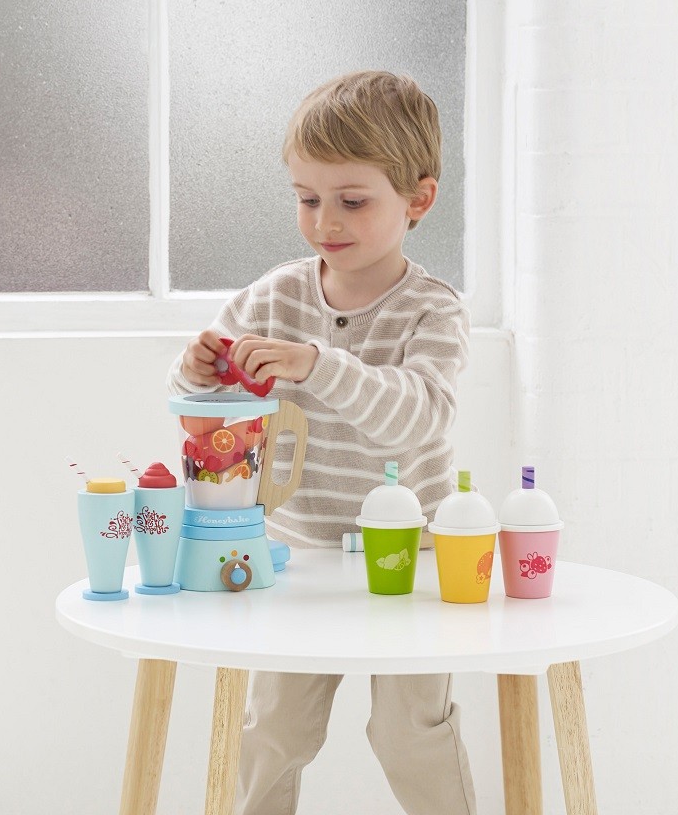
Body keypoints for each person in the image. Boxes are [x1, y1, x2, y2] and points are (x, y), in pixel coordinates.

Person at [167, 70, 474, 815]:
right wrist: (197, 372)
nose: (324, 221)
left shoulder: (432, 311)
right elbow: (214, 413)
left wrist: (317, 364)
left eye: (352, 201)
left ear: (419, 199)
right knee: (272, 732)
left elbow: (418, 416)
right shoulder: (275, 295)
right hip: (295, 555)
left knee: (410, 736)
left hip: (408, 561)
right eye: (307, 199)